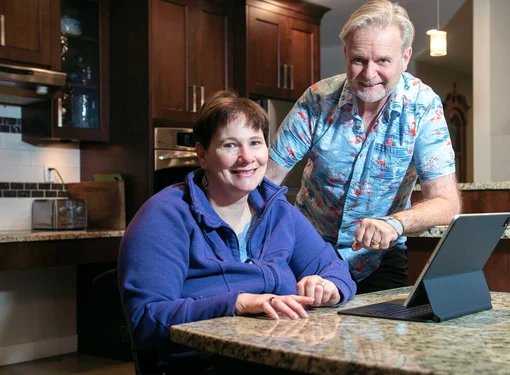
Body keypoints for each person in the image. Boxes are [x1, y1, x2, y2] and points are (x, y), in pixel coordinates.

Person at [117, 90, 356, 371]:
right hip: (204, 365)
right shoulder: (164, 216)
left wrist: (328, 286)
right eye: (230, 145)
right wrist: (238, 303)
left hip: (283, 355)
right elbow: (146, 320)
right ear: (202, 155)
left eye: (255, 143)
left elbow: (335, 268)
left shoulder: (277, 210)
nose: (247, 157)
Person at [266, 0, 461, 294]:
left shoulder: (422, 107)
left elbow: (447, 203)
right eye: (359, 60)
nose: (369, 74)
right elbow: (265, 181)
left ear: (405, 58)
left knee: (384, 339)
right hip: (309, 255)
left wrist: (395, 224)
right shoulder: (317, 100)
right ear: (346, 54)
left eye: (383, 61)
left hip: (380, 260)